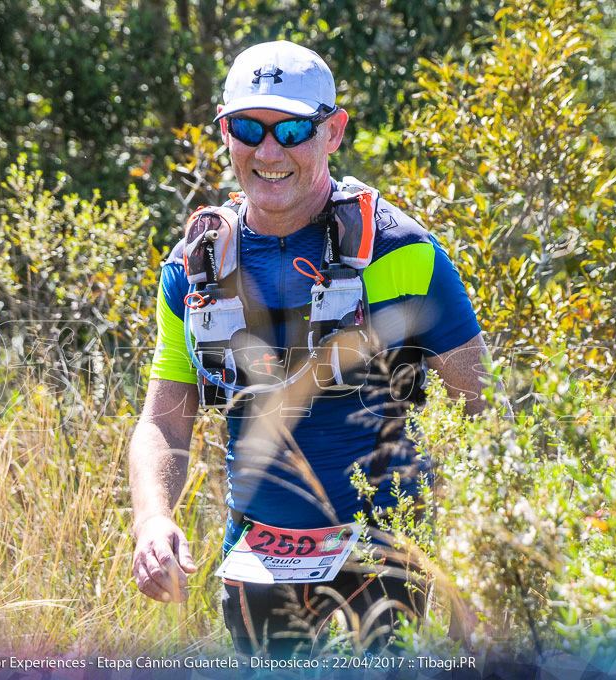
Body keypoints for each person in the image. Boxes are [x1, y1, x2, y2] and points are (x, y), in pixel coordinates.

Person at [129, 40, 499, 658]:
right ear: (225, 132)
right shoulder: (194, 270)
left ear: (333, 132)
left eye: (293, 129)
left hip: (388, 563)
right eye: (248, 127)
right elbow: (163, 426)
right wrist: (152, 521)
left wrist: (476, 563)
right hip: (256, 565)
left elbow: (482, 411)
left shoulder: (402, 254)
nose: (268, 152)